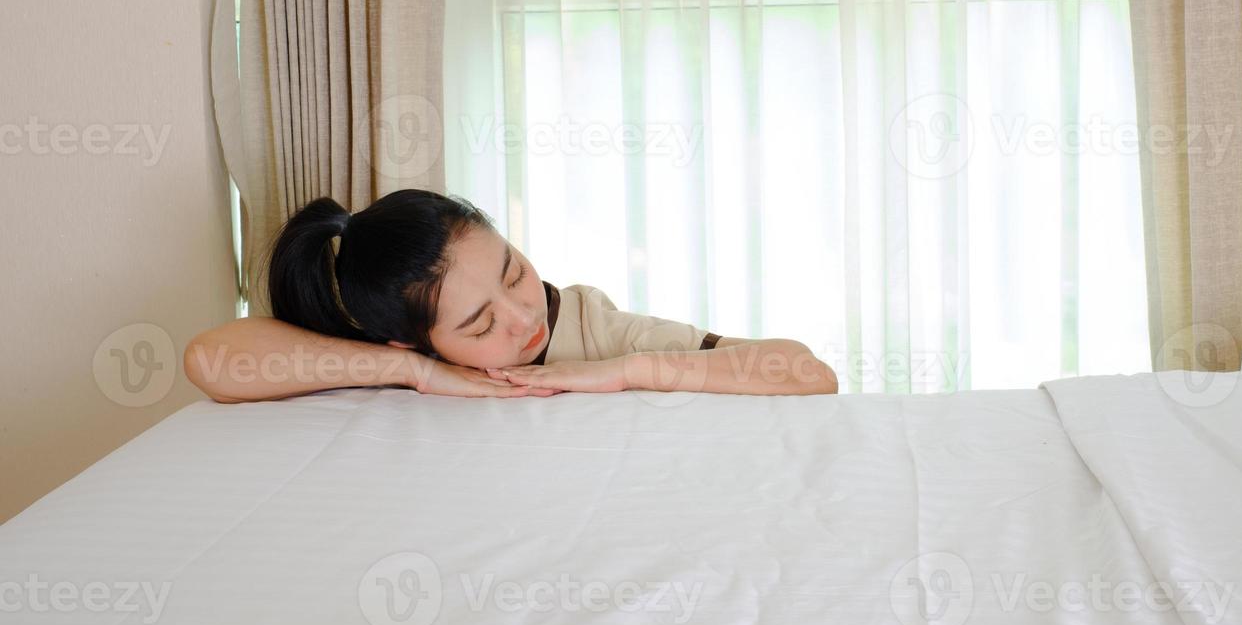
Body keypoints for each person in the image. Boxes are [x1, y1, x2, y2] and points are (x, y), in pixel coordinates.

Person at [184, 189, 838, 402]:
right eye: (478, 323)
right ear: (412, 338)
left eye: (513, 270)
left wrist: (626, 371)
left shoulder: (585, 323)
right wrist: (414, 373)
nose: (525, 315)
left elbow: (809, 374)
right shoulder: (400, 351)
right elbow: (209, 360)